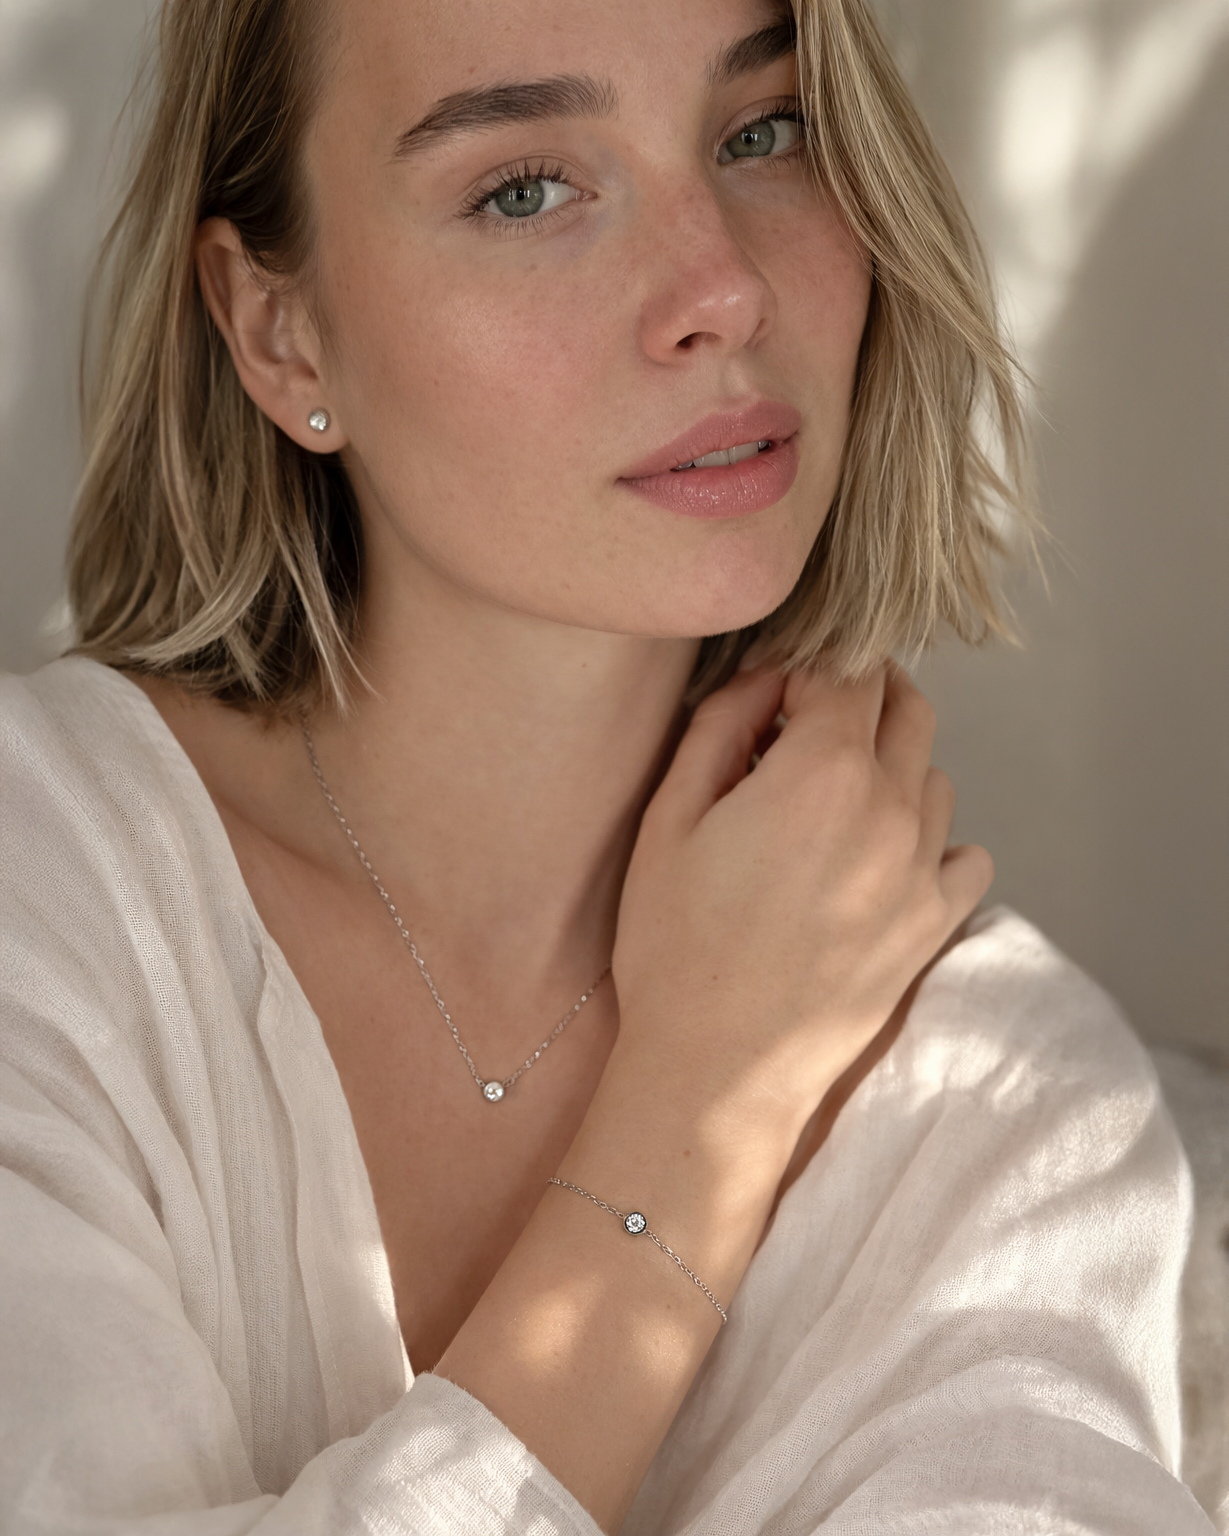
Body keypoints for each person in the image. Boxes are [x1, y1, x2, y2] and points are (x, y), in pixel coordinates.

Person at [0, 0, 1213, 1531]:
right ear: (276, 327)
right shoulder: (41, 897)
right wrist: (698, 1116)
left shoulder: (1009, 1104)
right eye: (524, 188)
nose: (722, 289)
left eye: (765, 131)